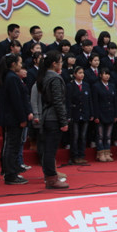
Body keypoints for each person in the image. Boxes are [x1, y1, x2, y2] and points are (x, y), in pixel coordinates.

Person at [0, 53, 34, 185]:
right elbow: (16, 100)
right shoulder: (11, 78)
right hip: (13, 118)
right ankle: (10, 174)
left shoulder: (10, 76)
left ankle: (12, 171)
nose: (21, 65)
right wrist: (22, 118)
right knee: (12, 146)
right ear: (13, 64)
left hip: (12, 117)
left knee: (13, 145)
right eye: (19, 63)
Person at [37, 50, 69, 189]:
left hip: (47, 116)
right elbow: (57, 101)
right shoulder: (54, 78)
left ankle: (49, 176)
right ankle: (51, 178)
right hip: (53, 118)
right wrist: (63, 121)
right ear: (54, 64)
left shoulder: (45, 76)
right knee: (50, 150)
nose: (62, 64)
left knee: (48, 149)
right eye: (60, 62)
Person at [65, 66, 92, 166]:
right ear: (75, 74)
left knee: (83, 136)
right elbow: (67, 101)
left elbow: (89, 100)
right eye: (79, 73)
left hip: (85, 113)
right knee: (75, 136)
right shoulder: (70, 86)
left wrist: (91, 113)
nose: (82, 75)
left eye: (83, 73)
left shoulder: (86, 85)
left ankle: (81, 155)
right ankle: (74, 156)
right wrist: (68, 115)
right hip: (74, 114)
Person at [91, 67, 117, 162]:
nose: (107, 76)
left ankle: (107, 152)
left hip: (110, 112)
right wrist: (96, 115)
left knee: (108, 135)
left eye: (108, 74)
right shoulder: (96, 86)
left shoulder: (112, 85)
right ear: (100, 75)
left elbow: (115, 101)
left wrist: (116, 114)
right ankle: (100, 153)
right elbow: (95, 102)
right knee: (100, 135)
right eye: (105, 74)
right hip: (100, 113)